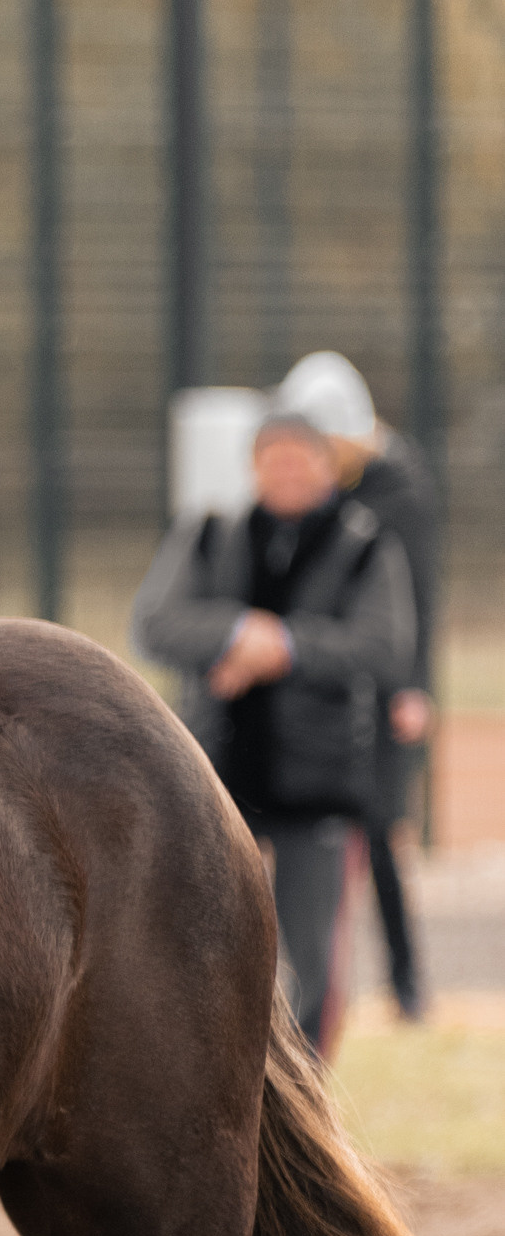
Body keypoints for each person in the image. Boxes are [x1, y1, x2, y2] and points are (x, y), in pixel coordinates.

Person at [132, 410, 415, 1057]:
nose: (287, 473)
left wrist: (284, 648)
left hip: (318, 778)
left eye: (300, 459)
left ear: (327, 466)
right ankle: (215, 1075)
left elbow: (382, 646)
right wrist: (238, 633)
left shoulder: (366, 546)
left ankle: (304, 1088)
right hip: (216, 772)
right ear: (253, 468)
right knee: (202, 939)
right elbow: (155, 622)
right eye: (273, 460)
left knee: (310, 958)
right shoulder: (209, 535)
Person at [277, 351, 439, 1020]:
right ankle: (301, 988)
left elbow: (416, 598)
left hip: (376, 688)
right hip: (315, 690)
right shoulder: (305, 490)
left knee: (376, 832)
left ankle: (405, 985)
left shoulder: (398, 492)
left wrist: (412, 687)